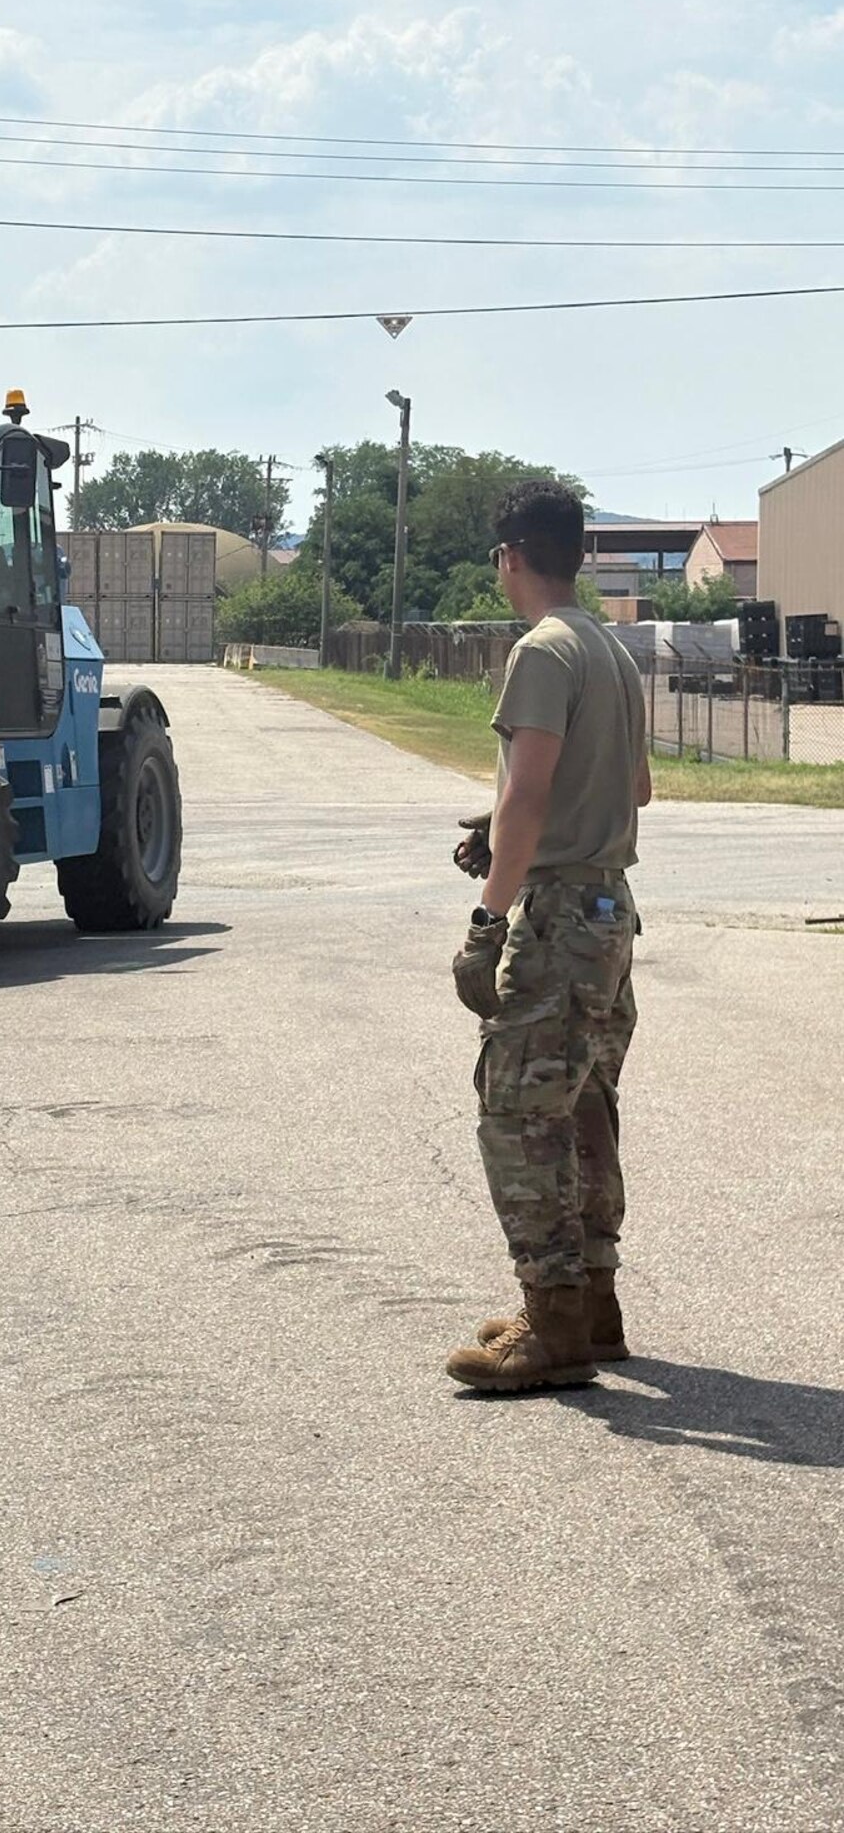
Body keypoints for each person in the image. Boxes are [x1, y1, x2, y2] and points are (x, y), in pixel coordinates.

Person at [445, 480, 651, 1393]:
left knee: (520, 1114)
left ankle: (551, 1322)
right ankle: (592, 1306)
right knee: (585, 1105)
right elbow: (635, 788)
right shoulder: (613, 649)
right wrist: (505, 830)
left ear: (511, 557)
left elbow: (528, 794)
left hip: (558, 914)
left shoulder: (542, 650)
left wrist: (489, 920)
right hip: (611, 911)